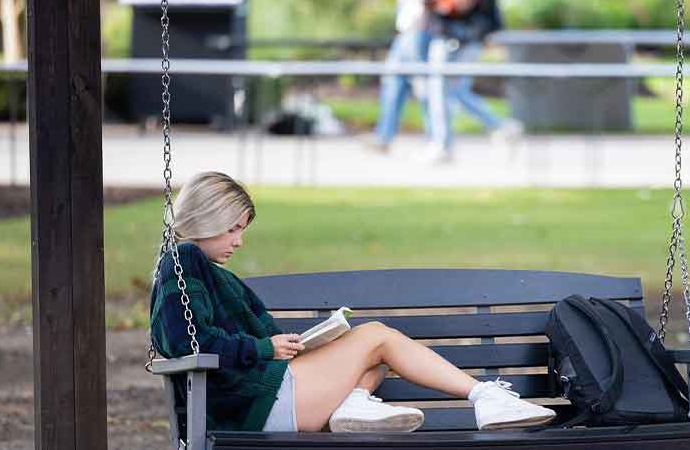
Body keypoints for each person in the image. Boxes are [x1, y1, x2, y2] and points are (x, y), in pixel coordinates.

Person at [150, 172, 556, 434]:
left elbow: (248, 340)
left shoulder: (207, 270)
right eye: (232, 229)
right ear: (206, 220)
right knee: (377, 337)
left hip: (263, 398)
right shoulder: (184, 262)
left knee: (375, 355)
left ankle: (354, 405)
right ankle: (485, 398)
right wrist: (264, 348)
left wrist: (303, 345)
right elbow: (190, 344)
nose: (239, 241)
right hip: (250, 409)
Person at [425, 0, 523, 163]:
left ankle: (444, 144)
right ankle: (500, 126)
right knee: (454, 92)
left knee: (442, 92)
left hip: (455, 41)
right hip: (456, 39)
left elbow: (460, 3)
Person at [370, 0, 434, 153]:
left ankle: (436, 138)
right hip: (405, 35)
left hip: (416, 35)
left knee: (424, 88)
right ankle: (384, 136)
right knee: (393, 83)